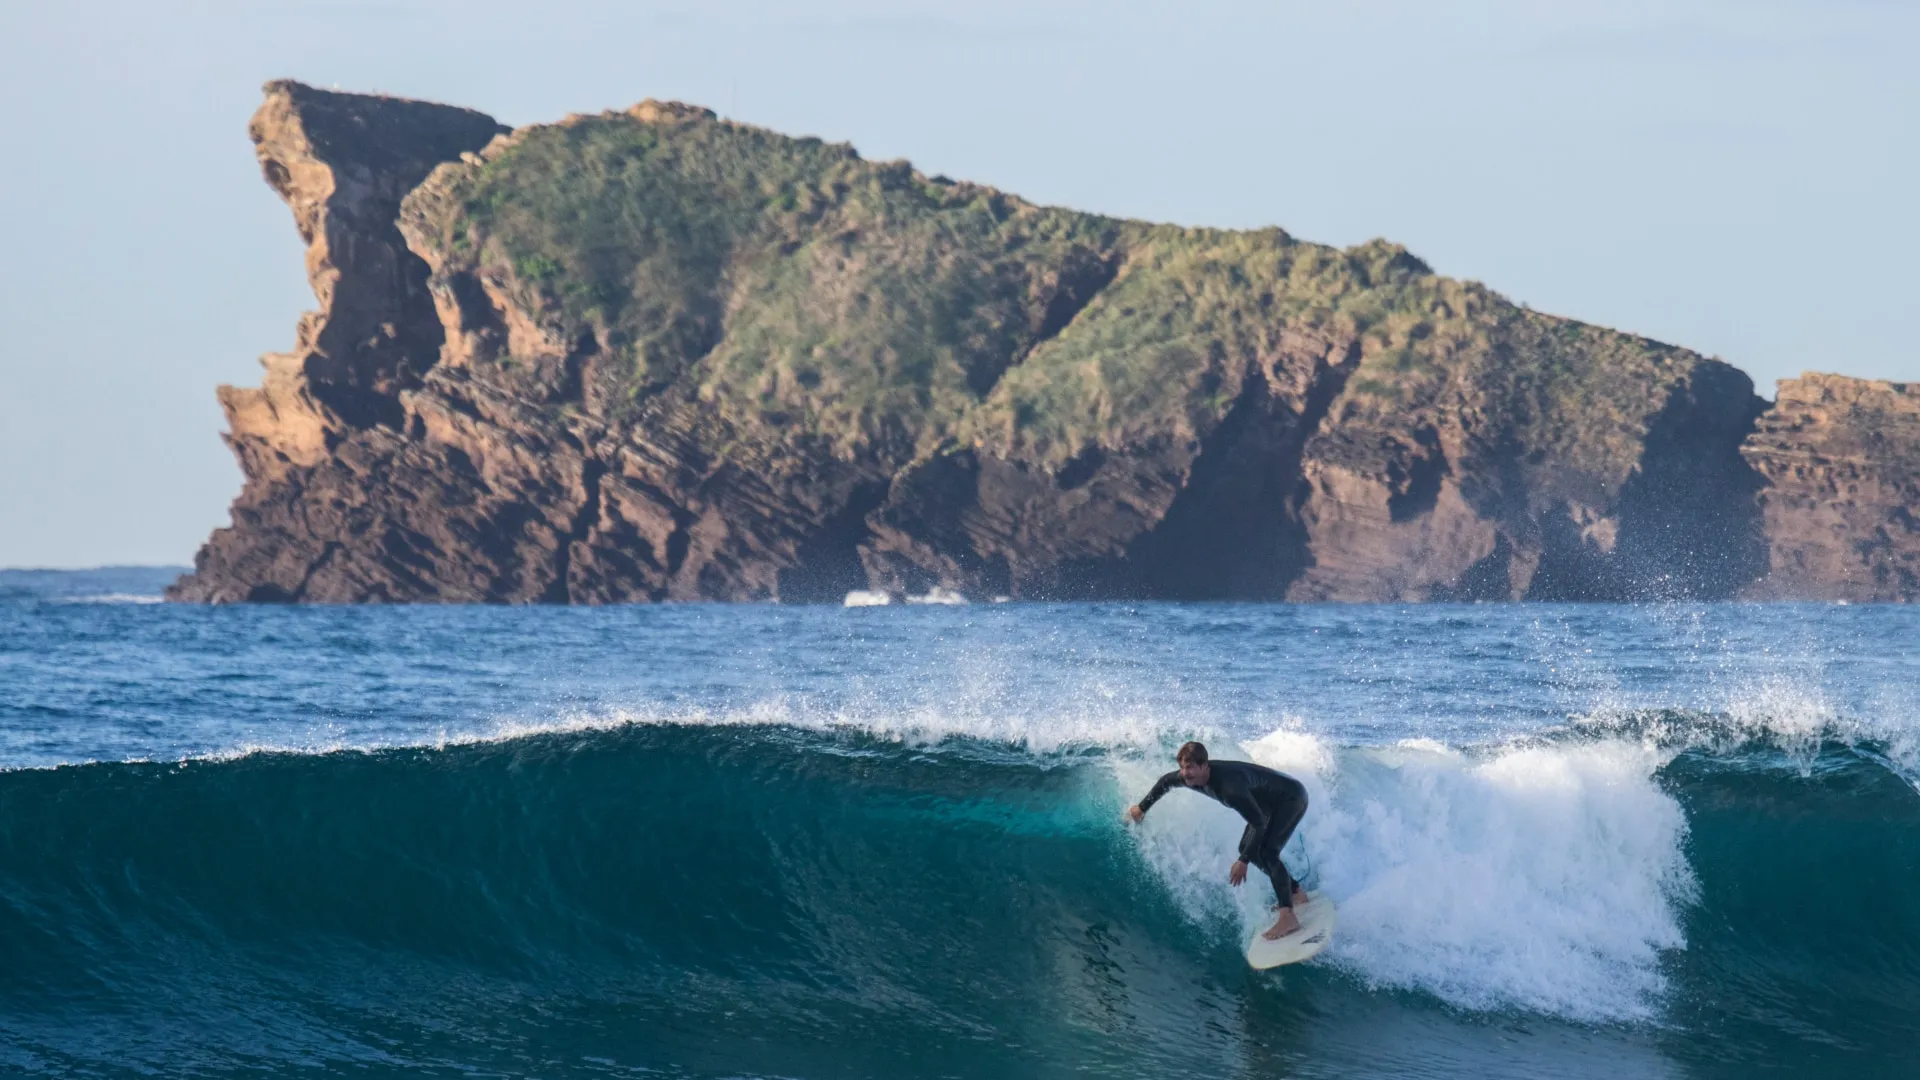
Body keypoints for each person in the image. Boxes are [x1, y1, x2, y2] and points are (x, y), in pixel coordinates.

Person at [1126, 740, 1312, 940]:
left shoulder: (1230, 789)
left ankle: (1288, 917)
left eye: (1190, 767)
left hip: (1290, 799)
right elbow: (1165, 782)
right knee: (1247, 847)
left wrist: (1243, 861)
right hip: (1267, 802)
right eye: (1182, 767)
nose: (1185, 773)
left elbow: (1259, 824)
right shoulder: (1190, 778)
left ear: (1205, 766)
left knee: (1266, 852)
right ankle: (1295, 893)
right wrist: (1141, 808)